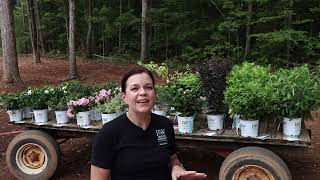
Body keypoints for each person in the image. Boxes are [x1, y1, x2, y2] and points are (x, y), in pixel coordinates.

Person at [91, 67, 207, 180]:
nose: (143, 92)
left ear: (154, 93)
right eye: (135, 88)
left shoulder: (164, 125)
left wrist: (177, 167)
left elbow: (172, 157)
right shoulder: (109, 132)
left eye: (148, 87)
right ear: (124, 97)